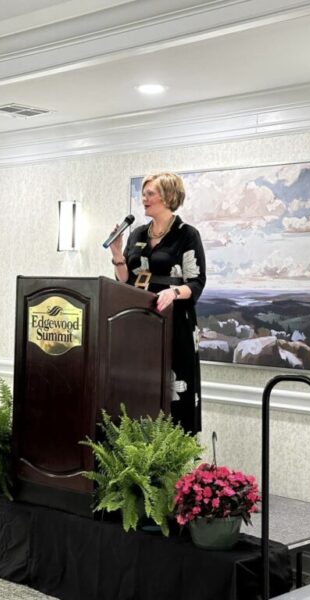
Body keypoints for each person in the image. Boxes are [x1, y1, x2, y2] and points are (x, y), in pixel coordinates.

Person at [109, 172, 206, 433]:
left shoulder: (186, 234)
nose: (144, 198)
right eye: (144, 193)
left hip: (175, 323)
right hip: (139, 323)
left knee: (176, 391)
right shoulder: (137, 234)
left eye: (150, 193)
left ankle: (175, 456)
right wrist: (118, 254)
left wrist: (173, 293)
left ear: (168, 197)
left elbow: (196, 283)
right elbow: (125, 279)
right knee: (137, 388)